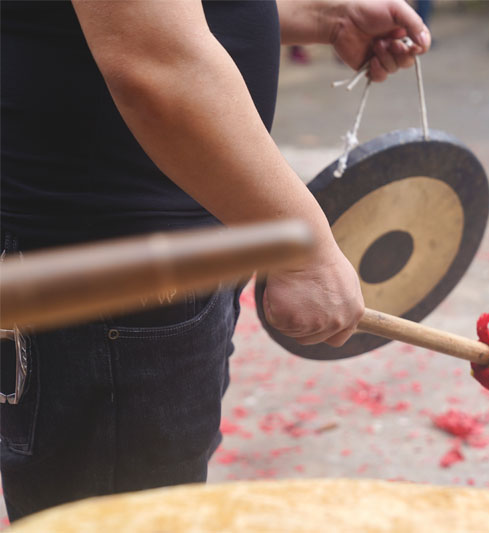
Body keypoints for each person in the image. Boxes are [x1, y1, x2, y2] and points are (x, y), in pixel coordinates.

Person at [0, 0, 430, 521]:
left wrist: (322, 18)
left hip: (156, 253)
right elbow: (154, 61)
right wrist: (303, 248)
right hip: (112, 276)